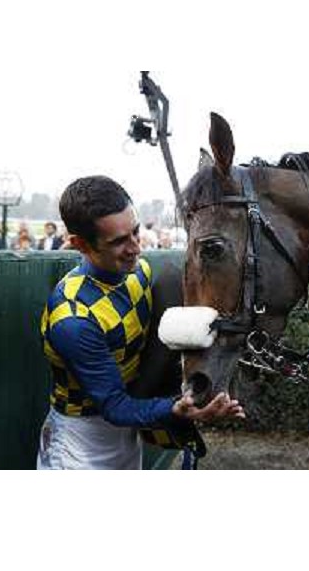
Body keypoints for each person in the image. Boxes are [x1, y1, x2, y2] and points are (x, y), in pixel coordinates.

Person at [37, 175, 244, 470]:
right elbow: (114, 406)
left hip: (127, 433)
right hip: (79, 444)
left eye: (135, 231)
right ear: (79, 244)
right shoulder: (73, 320)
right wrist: (177, 409)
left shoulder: (141, 272)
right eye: (119, 241)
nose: (135, 247)